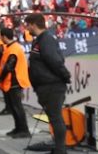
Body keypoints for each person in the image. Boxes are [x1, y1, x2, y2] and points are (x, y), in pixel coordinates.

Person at [24, 13, 71, 154]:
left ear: (33, 24)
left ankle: (60, 150)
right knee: (53, 118)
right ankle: (58, 147)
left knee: (56, 118)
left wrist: (65, 76)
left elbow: (55, 61)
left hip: (52, 85)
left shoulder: (46, 39)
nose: (27, 28)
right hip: (44, 86)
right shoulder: (39, 40)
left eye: (28, 25)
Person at [0, 26, 31, 138]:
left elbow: (9, 66)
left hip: (15, 81)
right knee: (14, 107)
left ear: (4, 37)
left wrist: (1, 78)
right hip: (12, 81)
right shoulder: (11, 47)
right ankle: (18, 128)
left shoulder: (14, 49)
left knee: (17, 107)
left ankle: (24, 130)